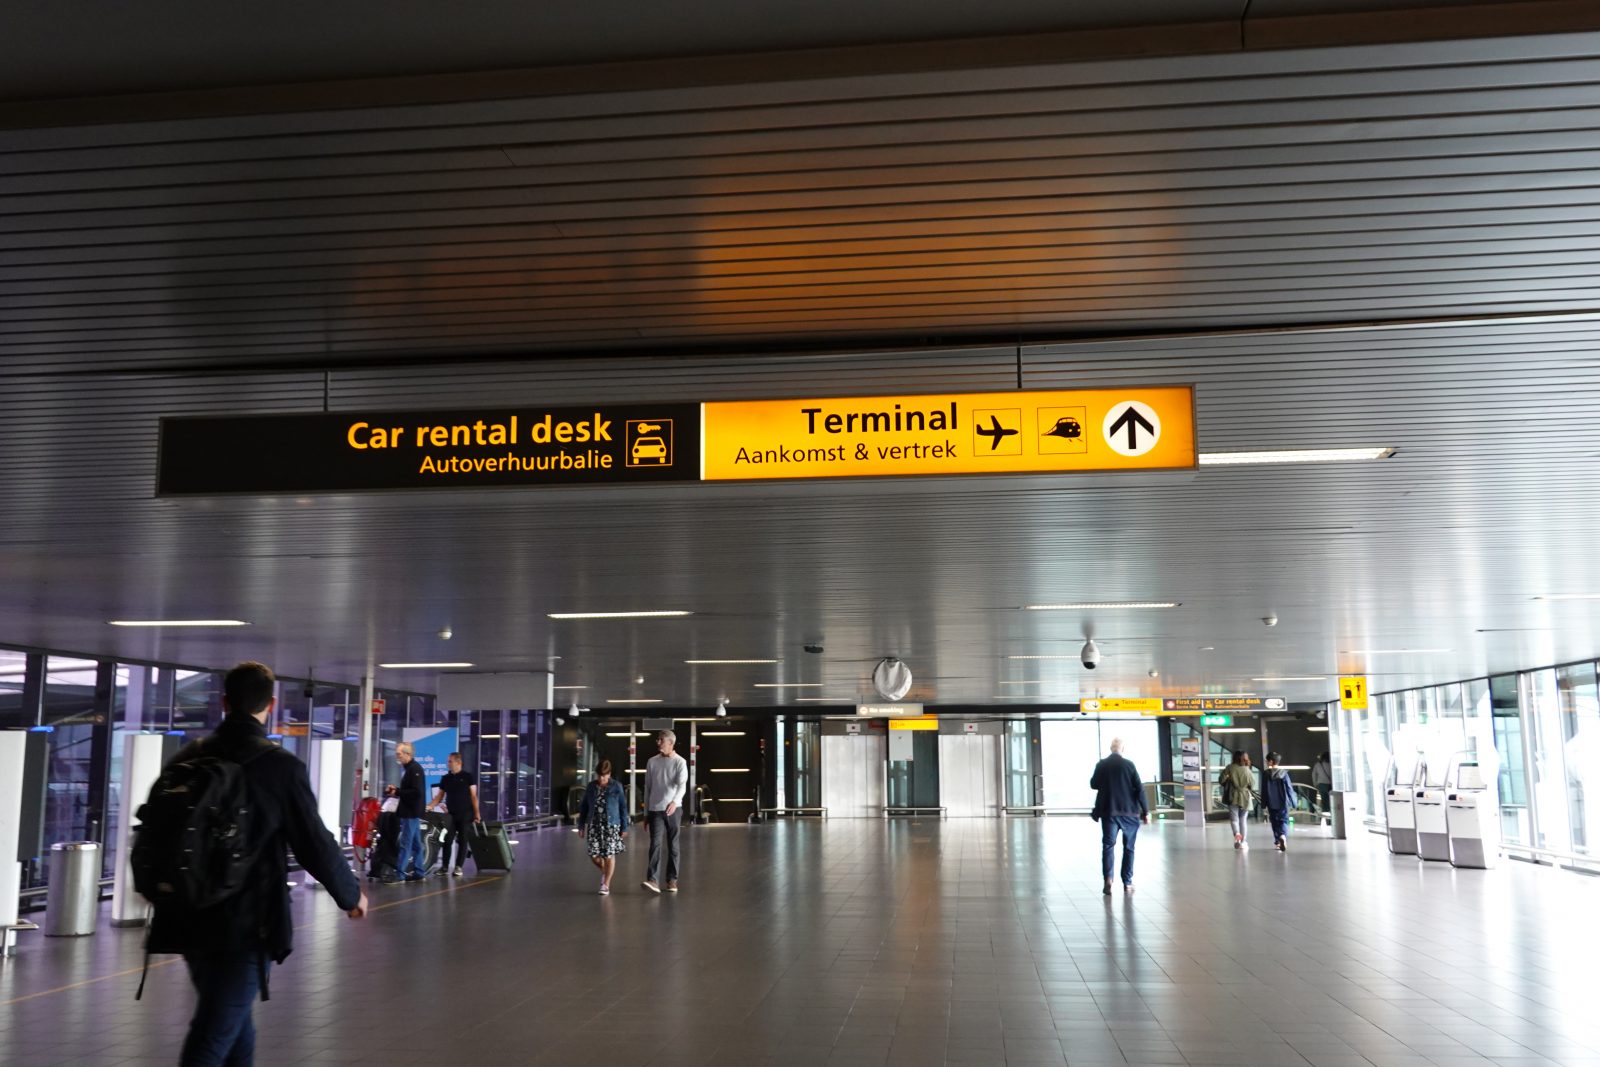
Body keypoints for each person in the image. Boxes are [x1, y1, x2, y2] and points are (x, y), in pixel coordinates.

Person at [144, 661, 367, 1067]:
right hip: (246, 922)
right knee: (214, 1035)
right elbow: (313, 841)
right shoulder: (280, 766)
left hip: (187, 911)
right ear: (272, 704)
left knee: (234, 1023)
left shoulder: (190, 757)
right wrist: (351, 896)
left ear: (224, 702)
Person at [1089, 737, 1150, 895]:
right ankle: (1127, 882)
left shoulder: (1102, 764)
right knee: (1129, 848)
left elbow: (1093, 784)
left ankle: (1108, 879)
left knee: (1108, 846)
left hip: (1109, 812)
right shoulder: (1129, 765)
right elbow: (1140, 789)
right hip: (1129, 813)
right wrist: (1146, 811)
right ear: (1122, 749)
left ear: (1111, 749)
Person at [641, 729, 688, 894]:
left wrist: (675, 802)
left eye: (661, 740)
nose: (658, 742)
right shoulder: (652, 762)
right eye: (658, 739)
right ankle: (653, 880)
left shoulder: (680, 762)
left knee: (673, 845)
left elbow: (682, 786)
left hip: (673, 810)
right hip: (655, 810)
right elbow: (648, 787)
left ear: (671, 743)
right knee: (655, 844)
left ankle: (672, 880)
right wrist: (646, 813)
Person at [577, 760, 629, 894]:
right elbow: (584, 807)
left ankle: (606, 884)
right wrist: (581, 826)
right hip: (594, 825)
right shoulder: (591, 786)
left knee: (608, 855)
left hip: (611, 825)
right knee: (594, 855)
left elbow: (623, 807)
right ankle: (606, 873)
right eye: (599, 775)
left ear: (609, 774)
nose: (601, 778)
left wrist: (624, 827)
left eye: (604, 776)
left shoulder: (616, 786)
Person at [428, 752, 480, 877]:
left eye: (450, 761)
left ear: (458, 762)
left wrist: (477, 813)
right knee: (447, 840)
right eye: (448, 761)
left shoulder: (468, 777)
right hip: (450, 814)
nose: (448, 763)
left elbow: (473, 796)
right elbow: (439, 796)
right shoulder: (446, 778)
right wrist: (430, 806)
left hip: (466, 814)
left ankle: (458, 867)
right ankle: (445, 867)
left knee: (462, 840)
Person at [393, 741, 427, 882]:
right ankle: (419, 872)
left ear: (408, 754)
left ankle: (400, 874)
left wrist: (398, 792)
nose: (397, 757)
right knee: (416, 844)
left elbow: (416, 792)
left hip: (410, 812)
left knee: (405, 844)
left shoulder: (414, 769)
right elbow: (412, 790)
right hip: (411, 812)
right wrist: (397, 791)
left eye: (399, 754)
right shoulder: (410, 769)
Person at [1220, 751, 1257, 850]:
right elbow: (1253, 785)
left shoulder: (1229, 768)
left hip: (1233, 796)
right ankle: (1243, 842)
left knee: (1234, 819)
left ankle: (1237, 834)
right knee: (1243, 820)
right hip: (1245, 797)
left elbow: (1221, 780)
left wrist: (1228, 780)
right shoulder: (1247, 770)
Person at [1263, 752, 1298, 852]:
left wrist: (1263, 803)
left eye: (1267, 760)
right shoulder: (1284, 774)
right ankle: (1283, 835)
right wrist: (1293, 802)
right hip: (1283, 802)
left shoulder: (1266, 774)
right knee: (1284, 820)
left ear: (1271, 761)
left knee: (1274, 822)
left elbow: (1264, 789)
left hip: (1271, 802)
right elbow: (1289, 788)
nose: (1266, 762)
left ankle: (1278, 842)